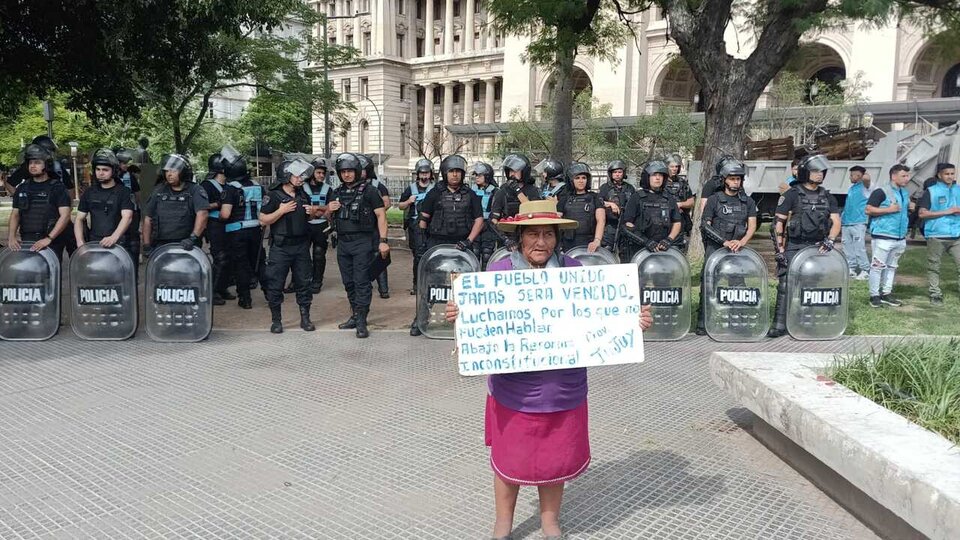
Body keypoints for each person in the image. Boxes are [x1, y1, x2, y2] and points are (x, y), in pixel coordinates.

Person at [443, 199, 653, 540]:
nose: (541, 242)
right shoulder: (498, 273)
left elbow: (603, 316)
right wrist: (460, 315)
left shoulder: (574, 272)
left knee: (556, 460)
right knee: (510, 459)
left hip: (562, 387)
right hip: (514, 389)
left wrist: (633, 322)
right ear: (519, 238)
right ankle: (503, 523)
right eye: (533, 235)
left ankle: (550, 521)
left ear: (557, 237)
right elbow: (480, 320)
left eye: (548, 234)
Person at [411, 154, 485, 336]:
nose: (455, 175)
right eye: (451, 171)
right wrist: (422, 244)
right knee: (431, 285)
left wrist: (469, 241)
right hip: (437, 244)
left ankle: (468, 321)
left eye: (458, 172)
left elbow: (479, 220)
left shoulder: (471, 195)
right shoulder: (435, 193)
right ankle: (421, 318)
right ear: (445, 173)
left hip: (462, 245)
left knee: (465, 285)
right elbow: (423, 219)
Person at [768, 154, 841, 338]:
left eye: (822, 171)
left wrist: (830, 240)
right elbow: (779, 222)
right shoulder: (792, 194)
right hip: (794, 245)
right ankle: (779, 324)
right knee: (785, 285)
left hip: (817, 247)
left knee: (812, 287)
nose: (819, 175)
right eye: (815, 171)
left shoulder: (827, 196)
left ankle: (806, 322)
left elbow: (836, 221)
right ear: (805, 172)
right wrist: (780, 249)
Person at [328, 153, 389, 338]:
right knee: (349, 283)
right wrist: (328, 211)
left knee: (362, 282)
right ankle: (355, 315)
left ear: (357, 172)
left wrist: (383, 241)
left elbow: (381, 216)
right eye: (343, 172)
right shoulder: (336, 192)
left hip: (363, 242)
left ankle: (362, 320)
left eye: (350, 171)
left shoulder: (370, 191)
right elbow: (328, 217)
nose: (346, 175)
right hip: (343, 244)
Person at [695, 159, 758, 335]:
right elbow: (705, 225)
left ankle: (737, 322)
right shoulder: (714, 200)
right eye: (732, 179)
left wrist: (742, 242)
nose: (735, 182)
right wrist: (724, 242)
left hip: (737, 250)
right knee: (709, 283)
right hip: (716, 248)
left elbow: (752, 225)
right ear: (724, 180)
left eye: (738, 179)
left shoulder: (748, 202)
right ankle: (703, 322)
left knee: (738, 287)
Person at [258, 159, 319, 333]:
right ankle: (276, 321)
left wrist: (312, 213)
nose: (301, 179)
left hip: (301, 246)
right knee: (275, 284)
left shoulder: (302, 194)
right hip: (281, 247)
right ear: (286, 175)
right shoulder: (273, 195)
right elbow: (262, 219)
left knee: (304, 284)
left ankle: (305, 318)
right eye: (297, 175)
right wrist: (281, 211)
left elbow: (309, 218)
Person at [7, 144, 73, 259]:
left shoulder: (58, 188)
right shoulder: (23, 188)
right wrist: (11, 237)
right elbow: (15, 214)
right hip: (27, 240)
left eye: (37, 162)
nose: (33, 166)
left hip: (51, 242)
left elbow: (65, 216)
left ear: (46, 165)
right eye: (30, 163)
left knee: (50, 275)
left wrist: (49, 238)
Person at [220, 146, 266, 310]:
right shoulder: (257, 185)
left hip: (236, 232)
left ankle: (245, 299)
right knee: (260, 263)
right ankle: (270, 294)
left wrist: (217, 216)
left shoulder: (230, 188)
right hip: (256, 230)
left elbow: (225, 214)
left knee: (241, 266)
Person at [73, 149, 135, 260]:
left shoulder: (124, 192)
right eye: (98, 169)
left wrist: (114, 237)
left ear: (114, 171)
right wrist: (80, 243)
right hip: (95, 244)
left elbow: (127, 217)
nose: (100, 173)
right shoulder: (89, 192)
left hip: (119, 244)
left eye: (105, 170)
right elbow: (79, 219)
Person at [142, 154, 209, 256]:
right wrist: (146, 244)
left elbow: (202, 214)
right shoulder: (159, 191)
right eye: (167, 171)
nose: (169, 174)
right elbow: (148, 218)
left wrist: (193, 238)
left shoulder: (195, 190)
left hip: (187, 245)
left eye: (173, 170)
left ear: (183, 172)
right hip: (161, 245)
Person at [865, 164, 911, 308]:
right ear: (893, 176)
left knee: (891, 267)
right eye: (903, 176)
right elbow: (868, 209)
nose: (907, 179)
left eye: (907, 176)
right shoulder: (881, 191)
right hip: (883, 236)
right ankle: (874, 295)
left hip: (899, 237)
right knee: (877, 267)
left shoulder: (904, 192)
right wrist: (889, 209)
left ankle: (886, 293)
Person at [918, 163, 960, 305]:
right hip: (936, 235)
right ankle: (935, 293)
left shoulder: (958, 190)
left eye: (952, 174)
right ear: (939, 175)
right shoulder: (931, 191)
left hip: (956, 235)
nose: (950, 176)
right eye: (947, 174)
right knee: (934, 266)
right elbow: (922, 213)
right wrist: (948, 211)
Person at [620, 161, 682, 256]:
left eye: (660, 175)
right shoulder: (636, 197)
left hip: (663, 249)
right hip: (639, 248)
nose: (657, 178)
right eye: (654, 175)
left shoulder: (669, 198)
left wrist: (669, 239)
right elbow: (627, 224)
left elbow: (677, 222)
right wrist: (645, 241)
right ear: (647, 177)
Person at [398, 158, 436, 294]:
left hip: (432, 226)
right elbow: (400, 206)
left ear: (431, 174)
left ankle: (431, 284)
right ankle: (417, 284)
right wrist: (409, 201)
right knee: (418, 256)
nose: (424, 176)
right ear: (418, 174)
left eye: (427, 173)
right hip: (415, 226)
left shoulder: (435, 188)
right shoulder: (411, 188)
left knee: (432, 254)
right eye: (422, 173)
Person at [200, 153, 233, 305]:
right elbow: (201, 205)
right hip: (214, 224)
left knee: (228, 258)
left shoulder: (229, 186)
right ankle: (212, 290)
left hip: (228, 225)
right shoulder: (206, 185)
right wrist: (219, 204)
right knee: (220, 258)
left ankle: (222, 287)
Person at [360, 154, 392, 299]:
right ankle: (364, 284)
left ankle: (383, 289)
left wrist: (376, 213)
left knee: (379, 255)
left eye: (362, 170)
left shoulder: (377, 185)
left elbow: (387, 202)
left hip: (375, 227)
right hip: (360, 228)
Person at [558, 161, 605, 252]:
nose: (581, 181)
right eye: (577, 178)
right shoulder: (565, 198)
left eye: (584, 178)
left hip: (589, 244)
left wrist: (597, 241)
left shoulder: (594, 197)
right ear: (572, 180)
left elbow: (601, 220)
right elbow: (557, 219)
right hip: (568, 244)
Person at [302, 157, 332, 294]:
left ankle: (317, 281)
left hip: (321, 227)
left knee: (319, 255)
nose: (321, 175)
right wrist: (321, 209)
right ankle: (299, 280)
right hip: (305, 226)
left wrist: (315, 209)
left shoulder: (328, 189)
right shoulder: (302, 188)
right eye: (318, 172)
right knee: (302, 256)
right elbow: (302, 207)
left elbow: (330, 208)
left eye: (322, 173)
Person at [598, 159, 636, 259]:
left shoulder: (630, 188)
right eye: (615, 172)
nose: (618, 174)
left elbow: (635, 204)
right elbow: (598, 201)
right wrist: (610, 204)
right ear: (611, 174)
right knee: (607, 253)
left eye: (620, 172)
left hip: (625, 225)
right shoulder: (605, 187)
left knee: (626, 253)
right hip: (610, 226)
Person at [490, 153, 541, 225]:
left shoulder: (532, 190)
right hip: (507, 231)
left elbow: (532, 210)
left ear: (524, 171)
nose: (512, 174)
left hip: (528, 228)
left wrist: (517, 190)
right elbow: (494, 217)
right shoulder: (502, 191)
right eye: (510, 171)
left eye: (515, 171)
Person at [840, 165, 871, 280]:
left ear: (858, 175)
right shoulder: (852, 188)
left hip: (859, 221)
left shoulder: (865, 187)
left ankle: (865, 270)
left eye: (852, 175)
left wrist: (861, 175)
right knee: (847, 246)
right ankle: (851, 268)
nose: (849, 177)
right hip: (847, 222)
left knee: (859, 247)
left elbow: (867, 178)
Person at [116, 148, 143, 266]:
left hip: (131, 211)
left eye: (126, 163)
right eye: (123, 163)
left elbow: (137, 195)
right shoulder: (110, 178)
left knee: (132, 237)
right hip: (117, 214)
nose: (125, 166)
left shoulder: (129, 177)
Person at [471, 161, 500, 269]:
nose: (477, 178)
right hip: (474, 226)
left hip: (489, 227)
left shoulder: (495, 191)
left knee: (487, 255)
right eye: (476, 175)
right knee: (474, 254)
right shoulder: (471, 190)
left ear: (487, 176)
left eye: (479, 175)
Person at [664, 154, 695, 252]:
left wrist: (680, 204)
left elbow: (691, 202)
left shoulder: (683, 182)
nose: (674, 169)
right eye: (672, 166)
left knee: (678, 248)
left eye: (676, 167)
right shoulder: (660, 181)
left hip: (679, 220)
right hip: (663, 220)